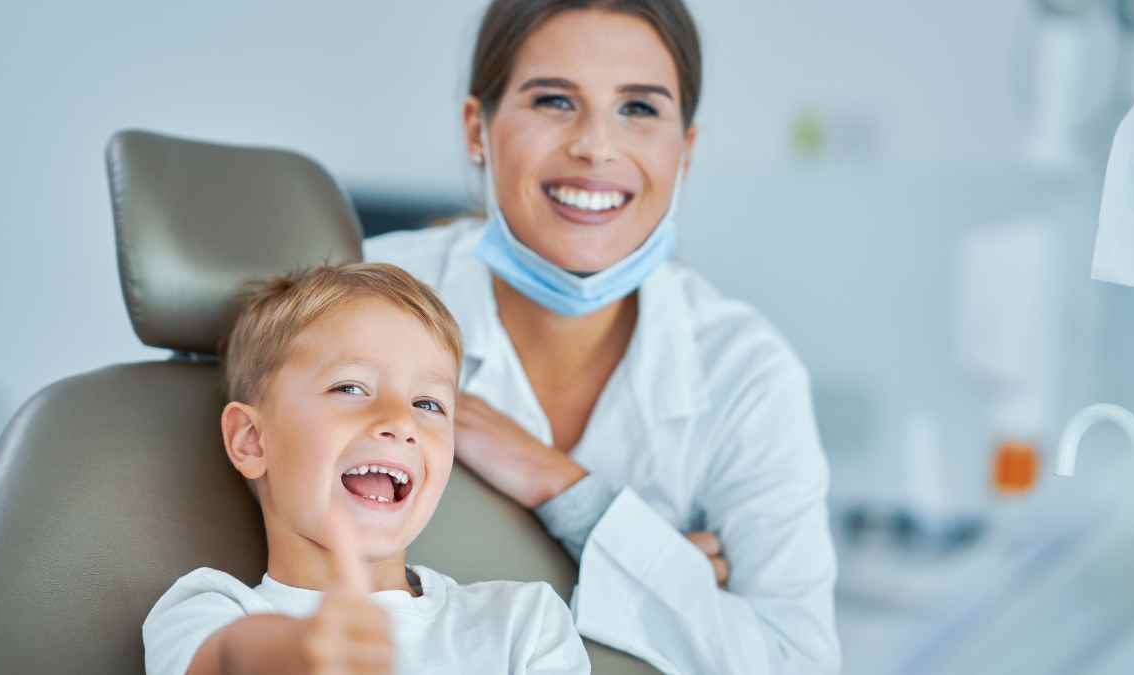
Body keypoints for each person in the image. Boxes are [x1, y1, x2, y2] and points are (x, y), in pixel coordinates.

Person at [362, 1, 841, 673]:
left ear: (686, 150)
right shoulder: (361, 302)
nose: (596, 146)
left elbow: (796, 660)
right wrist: (661, 572)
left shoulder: (745, 370)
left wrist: (567, 492)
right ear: (479, 128)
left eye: (639, 109)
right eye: (555, 100)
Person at [142, 262, 590, 675]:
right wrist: (293, 651)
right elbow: (224, 658)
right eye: (351, 387)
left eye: (427, 403)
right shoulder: (210, 611)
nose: (400, 421)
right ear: (252, 439)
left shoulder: (522, 622)